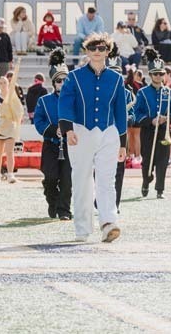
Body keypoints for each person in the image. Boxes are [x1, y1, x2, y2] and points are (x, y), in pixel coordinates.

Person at [58, 32, 127, 243]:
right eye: (93, 48)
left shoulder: (116, 79)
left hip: (108, 132)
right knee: (82, 180)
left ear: (108, 52)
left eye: (102, 48)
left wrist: (123, 144)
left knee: (107, 180)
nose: (97, 52)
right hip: (81, 131)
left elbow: (121, 111)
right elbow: (65, 103)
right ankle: (82, 228)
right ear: (87, 51)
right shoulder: (74, 76)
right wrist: (68, 129)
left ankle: (108, 223)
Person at [133, 48, 171, 199]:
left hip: (164, 130)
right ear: (150, 74)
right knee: (147, 161)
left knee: (162, 160)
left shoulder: (170, 93)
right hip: (148, 130)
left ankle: (160, 189)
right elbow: (137, 113)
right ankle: (146, 181)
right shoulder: (142, 92)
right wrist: (150, 120)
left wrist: (166, 118)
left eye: (161, 73)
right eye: (155, 73)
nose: (158, 76)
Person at [33, 49, 72, 220]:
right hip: (51, 144)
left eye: (65, 80)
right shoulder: (44, 100)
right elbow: (39, 122)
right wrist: (52, 129)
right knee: (50, 177)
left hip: (70, 145)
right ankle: (52, 201)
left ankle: (64, 210)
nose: (62, 83)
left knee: (67, 180)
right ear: (53, 82)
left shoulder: (74, 100)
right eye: (58, 80)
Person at [106, 45, 134, 213]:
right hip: (101, 135)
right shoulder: (99, 90)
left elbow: (133, 115)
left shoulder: (128, 93)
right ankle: (100, 198)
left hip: (120, 136)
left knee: (118, 171)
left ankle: (114, 204)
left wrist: (127, 118)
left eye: (117, 72)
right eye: (112, 71)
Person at [0, 76, 24, 183]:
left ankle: (11, 174)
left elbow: (19, 110)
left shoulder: (12, 97)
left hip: (10, 125)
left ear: (8, 83)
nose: (2, 85)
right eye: (0, 83)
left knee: (10, 152)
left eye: (4, 82)